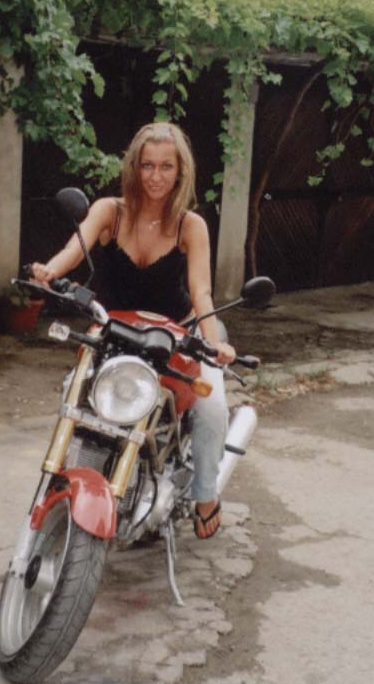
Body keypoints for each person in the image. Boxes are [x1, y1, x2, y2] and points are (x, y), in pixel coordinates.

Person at [31, 121, 236, 540]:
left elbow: (201, 290)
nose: (155, 176)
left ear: (180, 172)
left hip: (178, 334)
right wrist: (49, 271)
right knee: (76, 391)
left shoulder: (190, 225)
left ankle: (205, 496)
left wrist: (214, 344)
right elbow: (76, 249)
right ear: (134, 167)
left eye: (166, 167)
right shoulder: (110, 211)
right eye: (147, 166)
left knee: (212, 409)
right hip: (117, 333)